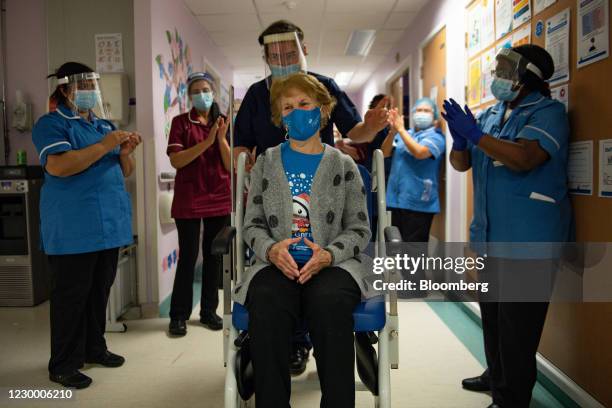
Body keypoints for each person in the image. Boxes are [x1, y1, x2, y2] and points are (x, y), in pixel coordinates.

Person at [233, 19, 389, 374]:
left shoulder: (323, 87)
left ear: (305, 50)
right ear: (266, 56)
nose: (284, 57)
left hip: (324, 208)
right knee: (276, 285)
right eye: (276, 53)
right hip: (275, 209)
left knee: (326, 288)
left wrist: (374, 126)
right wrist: (250, 167)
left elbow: (357, 131)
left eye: (291, 50)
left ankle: (323, 341)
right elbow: (240, 148)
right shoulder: (257, 96)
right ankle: (284, 345)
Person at [444, 45, 571, 408]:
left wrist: (477, 136)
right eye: (497, 69)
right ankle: (496, 374)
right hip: (489, 236)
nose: (498, 77)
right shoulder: (492, 114)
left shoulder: (549, 113)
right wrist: (460, 141)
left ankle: (511, 398)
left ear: (529, 75)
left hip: (529, 240)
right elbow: (460, 166)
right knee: (494, 316)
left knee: (518, 327)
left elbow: (524, 159)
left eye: (506, 70)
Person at [234, 72, 372, 408]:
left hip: (331, 263)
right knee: (265, 300)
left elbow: (359, 229)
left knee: (330, 302)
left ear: (323, 109)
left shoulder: (343, 165)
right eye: (287, 107)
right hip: (276, 262)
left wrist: (328, 254)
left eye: (304, 104)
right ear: (279, 117)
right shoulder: (265, 163)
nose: (296, 112)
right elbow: (250, 223)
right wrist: (270, 248)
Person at [32, 62, 142, 389]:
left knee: (99, 293)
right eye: (82, 86)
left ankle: (95, 347)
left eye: (93, 85)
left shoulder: (102, 124)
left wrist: (124, 151)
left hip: (108, 226)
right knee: (71, 299)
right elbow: (60, 166)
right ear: (65, 90)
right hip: (73, 230)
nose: (90, 92)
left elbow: (126, 170)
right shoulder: (51, 124)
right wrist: (107, 144)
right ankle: (63, 364)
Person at [166, 72, 231, 336]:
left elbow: (229, 164)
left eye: (206, 89)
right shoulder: (181, 122)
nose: (202, 94)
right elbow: (177, 161)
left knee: (214, 257)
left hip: (218, 196)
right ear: (189, 96)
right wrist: (207, 141)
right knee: (188, 257)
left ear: (213, 92)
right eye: (197, 91)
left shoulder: (224, 122)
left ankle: (208, 312)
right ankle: (178, 316)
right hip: (189, 198)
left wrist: (221, 139)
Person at [383, 97, 446, 297]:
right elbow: (384, 153)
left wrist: (400, 130)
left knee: (414, 247)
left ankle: (417, 287)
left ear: (435, 117)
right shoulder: (405, 134)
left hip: (419, 200)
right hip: (396, 198)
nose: (421, 113)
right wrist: (394, 130)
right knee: (398, 245)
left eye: (426, 110)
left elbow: (420, 153)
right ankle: (409, 283)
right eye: (418, 109)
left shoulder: (436, 137)